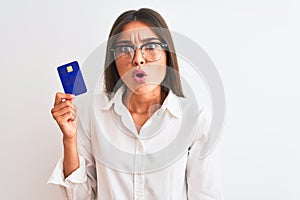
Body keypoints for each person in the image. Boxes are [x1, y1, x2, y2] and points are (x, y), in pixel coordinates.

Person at [48, 8, 223, 200]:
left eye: (150, 47)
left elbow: (206, 195)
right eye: (125, 49)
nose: (138, 59)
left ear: (167, 53)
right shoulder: (92, 113)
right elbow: (80, 197)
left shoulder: (194, 118)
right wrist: (69, 140)